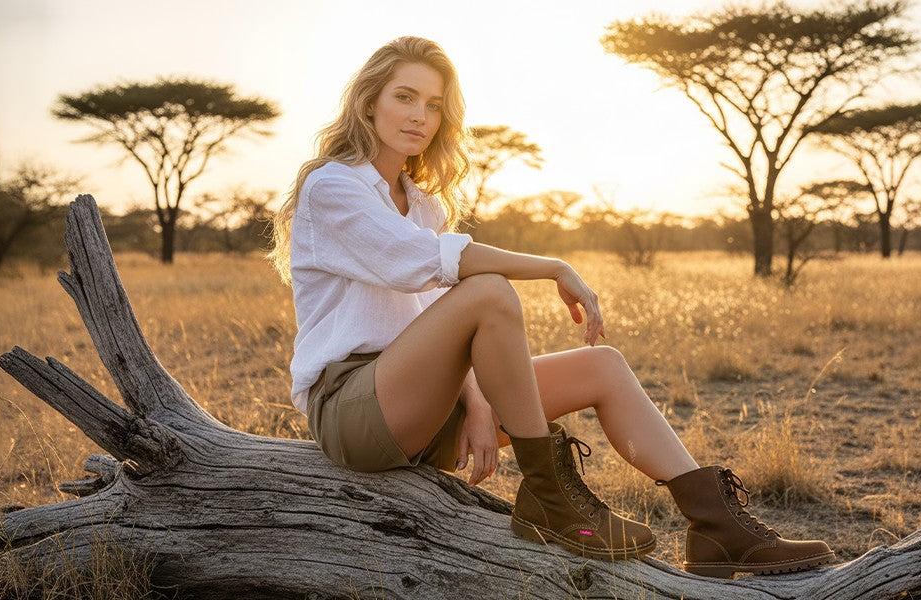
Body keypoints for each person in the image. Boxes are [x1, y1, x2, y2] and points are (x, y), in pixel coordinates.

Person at [267, 35, 835, 577]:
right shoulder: (333, 186)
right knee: (490, 290)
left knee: (602, 366)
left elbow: (427, 324)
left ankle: (717, 529)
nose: (420, 115)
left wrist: (482, 405)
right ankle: (550, 498)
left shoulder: (423, 204)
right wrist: (554, 267)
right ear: (369, 103)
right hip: (354, 413)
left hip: (423, 408)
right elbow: (416, 264)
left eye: (434, 105)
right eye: (404, 97)